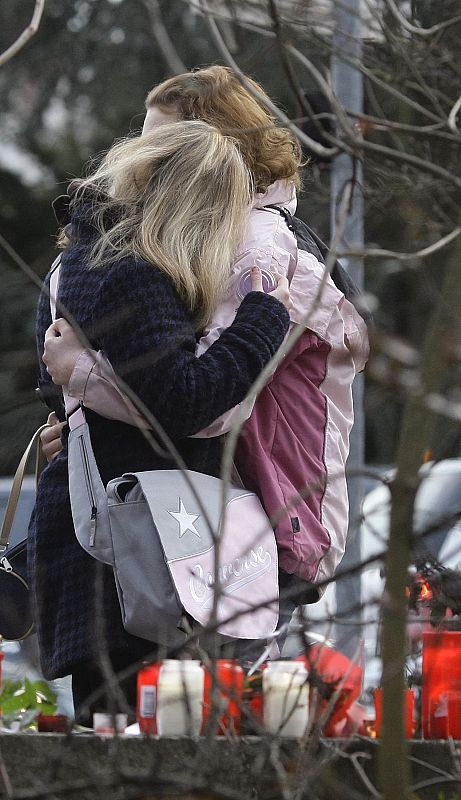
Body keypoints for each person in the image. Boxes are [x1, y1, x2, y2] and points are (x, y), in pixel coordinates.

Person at [43, 66, 368, 637]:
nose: (141, 158)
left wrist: (82, 376)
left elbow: (206, 402)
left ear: (213, 151)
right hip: (226, 519)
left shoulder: (256, 244)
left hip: (263, 520)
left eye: (162, 143)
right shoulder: (207, 238)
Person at [30, 120, 292, 725]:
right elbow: (182, 400)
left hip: (107, 549)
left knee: (112, 737)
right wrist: (261, 320)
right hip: (137, 558)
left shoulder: (79, 260)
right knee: (147, 751)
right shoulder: (133, 272)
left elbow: (61, 384)